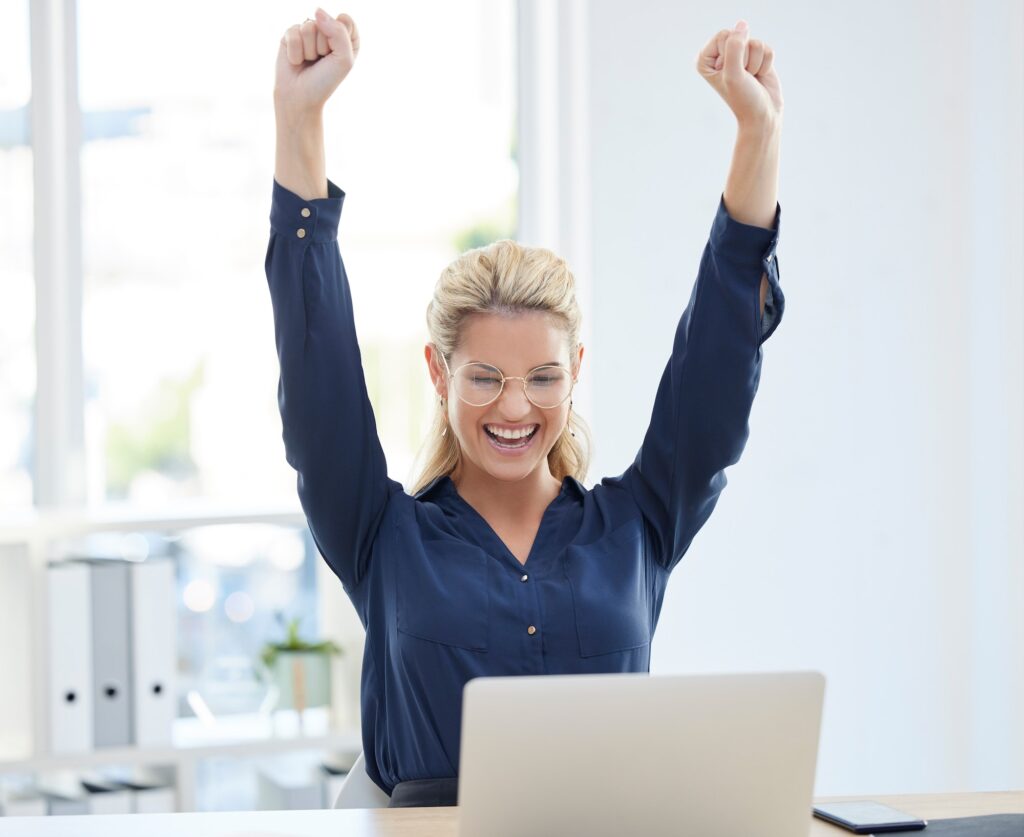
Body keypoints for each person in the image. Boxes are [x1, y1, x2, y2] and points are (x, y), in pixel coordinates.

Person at [268, 7, 784, 809]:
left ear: (575, 372)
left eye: (542, 377)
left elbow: (717, 366)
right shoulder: (384, 536)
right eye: (485, 378)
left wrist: (758, 131)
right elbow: (317, 373)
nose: (515, 406)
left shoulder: (636, 525)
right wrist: (299, 119)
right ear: (439, 373)